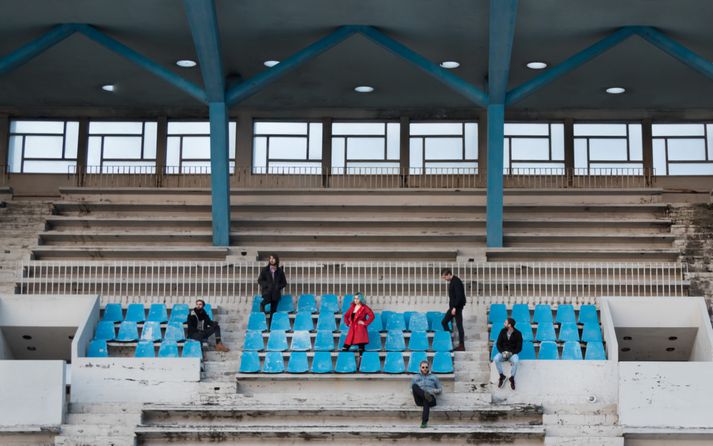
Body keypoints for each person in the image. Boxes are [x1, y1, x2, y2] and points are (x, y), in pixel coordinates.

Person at [341, 292, 375, 363]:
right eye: (355, 298)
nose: (355, 300)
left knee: (361, 348)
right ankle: (344, 364)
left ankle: (361, 365)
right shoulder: (352, 307)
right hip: (352, 329)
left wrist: (364, 323)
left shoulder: (364, 308)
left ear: (361, 299)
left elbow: (372, 316)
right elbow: (346, 316)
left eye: (357, 298)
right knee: (345, 347)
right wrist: (348, 323)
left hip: (360, 330)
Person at [257, 254, 287, 329]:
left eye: (273, 258)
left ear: (276, 260)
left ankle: (270, 328)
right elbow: (260, 280)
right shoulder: (265, 270)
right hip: (267, 292)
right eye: (270, 258)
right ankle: (262, 310)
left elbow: (284, 283)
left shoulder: (280, 271)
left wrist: (278, 287)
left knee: (273, 312)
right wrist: (267, 285)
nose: (271, 260)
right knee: (264, 303)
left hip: (275, 294)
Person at [440, 268, 466, 351]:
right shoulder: (453, 281)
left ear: (448, 274)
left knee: (459, 326)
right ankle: (449, 340)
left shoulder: (456, 281)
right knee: (444, 322)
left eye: (444, 277)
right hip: (453, 308)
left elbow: (459, 296)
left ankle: (461, 345)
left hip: (456, 308)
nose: (444, 279)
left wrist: (454, 307)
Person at [411, 360, 442, 428]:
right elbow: (411, 390)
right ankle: (425, 395)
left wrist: (433, 391)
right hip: (419, 399)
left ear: (428, 368)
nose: (425, 369)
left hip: (431, 399)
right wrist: (421, 393)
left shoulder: (434, 377)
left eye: (426, 367)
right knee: (414, 386)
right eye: (423, 367)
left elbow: (440, 389)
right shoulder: (415, 377)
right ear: (420, 368)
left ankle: (424, 422)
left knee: (426, 399)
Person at [494, 317, 522, 390]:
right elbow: (498, 344)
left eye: (505, 323)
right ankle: (502, 376)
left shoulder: (518, 333)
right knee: (496, 359)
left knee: (516, 361)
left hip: (512, 354)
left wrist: (511, 353)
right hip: (503, 352)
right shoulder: (502, 331)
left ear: (509, 325)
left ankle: (512, 378)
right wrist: (502, 352)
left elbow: (519, 347)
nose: (504, 324)